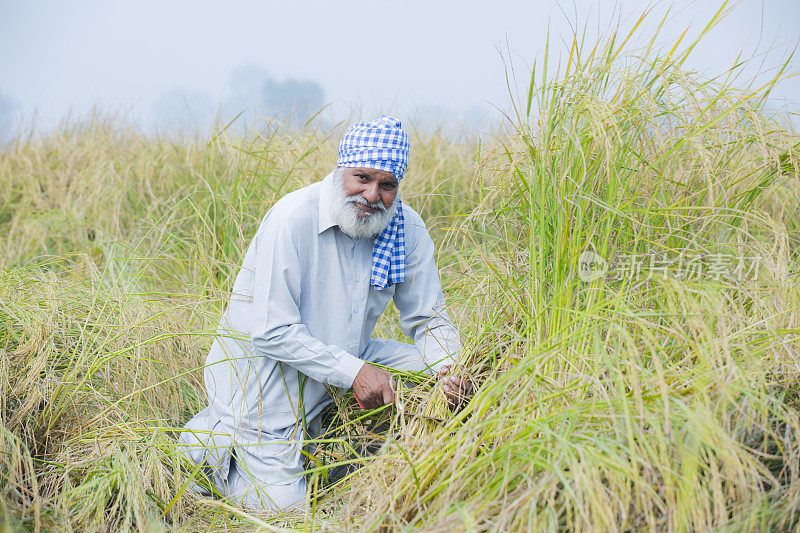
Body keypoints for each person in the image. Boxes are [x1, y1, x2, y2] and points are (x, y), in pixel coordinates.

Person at [178, 115, 471, 511]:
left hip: (347, 359)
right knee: (287, 512)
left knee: (453, 372)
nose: (371, 195)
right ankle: (206, 453)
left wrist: (449, 370)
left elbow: (428, 317)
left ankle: (356, 444)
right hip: (267, 389)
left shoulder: (404, 227)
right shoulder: (293, 219)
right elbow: (271, 332)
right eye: (362, 178)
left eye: (387, 185)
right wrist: (355, 373)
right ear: (340, 170)